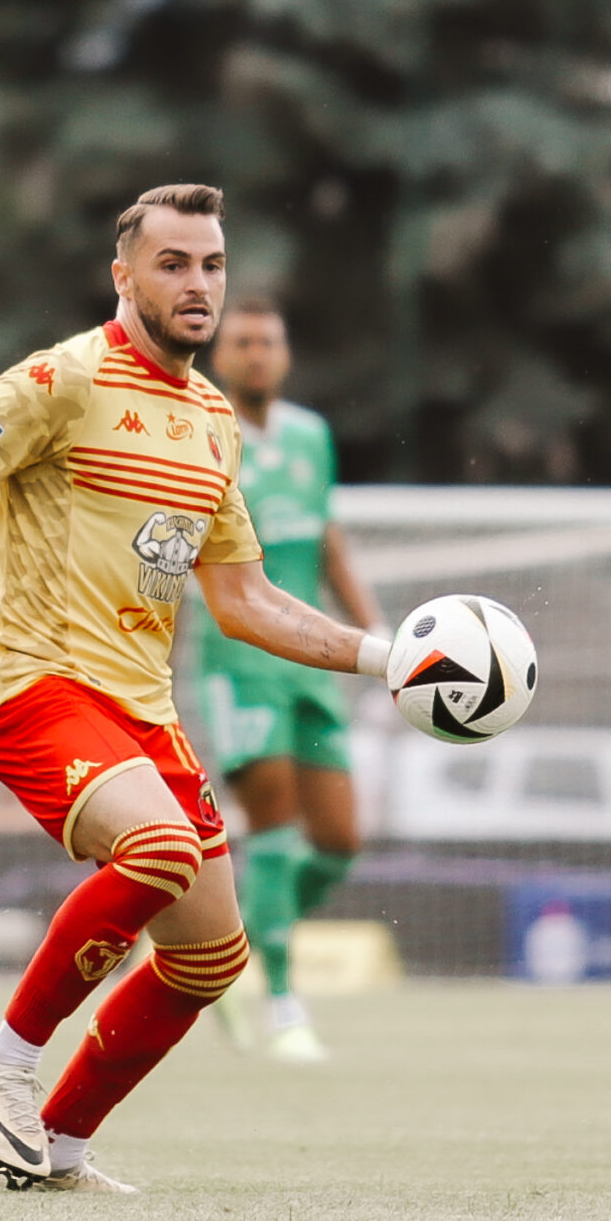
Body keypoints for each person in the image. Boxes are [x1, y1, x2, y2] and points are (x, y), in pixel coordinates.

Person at [0, 184, 393, 1194]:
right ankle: (4, 1060)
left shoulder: (210, 423)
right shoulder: (60, 380)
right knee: (153, 852)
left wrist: (384, 658)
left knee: (208, 960)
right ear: (124, 275)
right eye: (172, 263)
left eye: (211, 265)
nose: (197, 285)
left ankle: (57, 1144)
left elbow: (244, 601)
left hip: (140, 712)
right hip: (34, 688)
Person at [197, 299, 383, 1062]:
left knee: (338, 841)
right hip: (242, 661)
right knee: (272, 829)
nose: (256, 354)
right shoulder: (206, 433)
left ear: (285, 353)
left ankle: (222, 958)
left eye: (268, 341)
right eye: (241, 342)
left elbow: (329, 538)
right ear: (220, 357)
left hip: (316, 663)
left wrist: (383, 642)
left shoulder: (311, 435)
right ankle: (281, 1003)